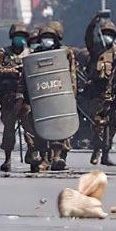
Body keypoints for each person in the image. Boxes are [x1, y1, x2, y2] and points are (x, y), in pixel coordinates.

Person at [21, 22, 76, 172]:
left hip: (59, 96)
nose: (47, 40)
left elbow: (71, 75)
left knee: (60, 128)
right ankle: (44, 158)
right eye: (44, 37)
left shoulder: (65, 53)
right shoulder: (34, 55)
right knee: (40, 130)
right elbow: (27, 77)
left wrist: (71, 96)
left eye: (50, 37)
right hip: (40, 98)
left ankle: (58, 157)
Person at [0, 22, 32, 173]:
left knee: (29, 127)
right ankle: (7, 159)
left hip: (26, 98)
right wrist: (10, 71)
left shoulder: (30, 53)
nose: (19, 39)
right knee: (9, 129)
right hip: (8, 97)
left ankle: (32, 153)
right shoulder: (3, 52)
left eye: (22, 36)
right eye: (17, 36)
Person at [82, 14, 116, 167]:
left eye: (110, 34)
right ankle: (96, 149)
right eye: (105, 34)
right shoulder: (95, 49)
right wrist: (93, 23)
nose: (107, 37)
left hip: (113, 93)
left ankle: (106, 153)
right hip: (97, 91)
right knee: (98, 124)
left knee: (112, 124)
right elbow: (88, 37)